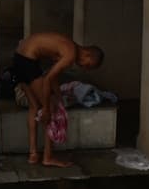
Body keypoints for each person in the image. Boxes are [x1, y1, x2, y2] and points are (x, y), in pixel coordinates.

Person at [11, 32, 104, 167]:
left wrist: (59, 96)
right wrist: (48, 107)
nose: (84, 68)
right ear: (88, 54)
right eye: (88, 65)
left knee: (34, 107)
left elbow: (52, 75)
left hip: (19, 57)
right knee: (51, 110)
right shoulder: (70, 54)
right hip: (28, 61)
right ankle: (47, 157)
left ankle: (33, 155)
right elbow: (48, 79)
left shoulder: (67, 45)